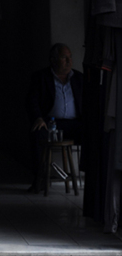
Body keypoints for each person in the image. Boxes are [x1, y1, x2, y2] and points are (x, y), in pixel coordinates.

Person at [26, 43, 82, 191]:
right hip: (51, 123)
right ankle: (39, 180)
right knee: (37, 135)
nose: (69, 61)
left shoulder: (79, 78)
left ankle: (94, 182)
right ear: (53, 60)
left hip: (75, 124)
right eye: (64, 58)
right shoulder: (41, 77)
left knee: (96, 135)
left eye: (70, 57)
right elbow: (32, 100)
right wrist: (38, 117)